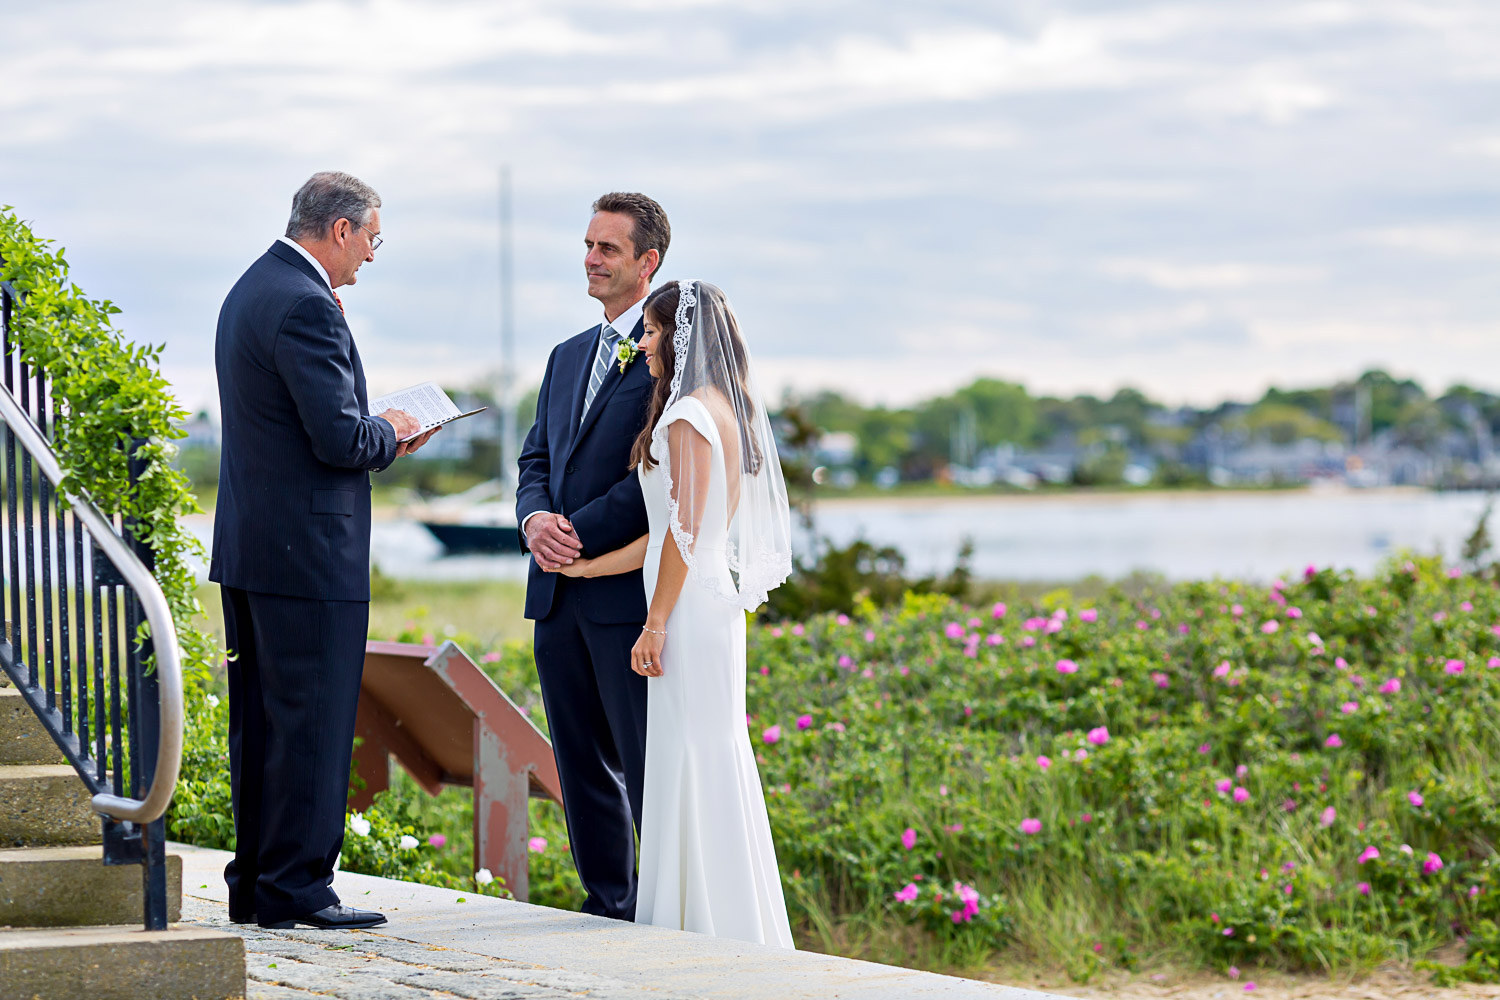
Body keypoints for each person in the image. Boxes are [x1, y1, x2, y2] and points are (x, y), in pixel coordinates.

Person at [210, 171, 436, 930]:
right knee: (311, 725)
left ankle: (260, 886)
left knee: (265, 726)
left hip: (254, 551)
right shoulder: (307, 303)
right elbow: (340, 438)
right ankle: (301, 888)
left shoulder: (251, 287)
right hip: (308, 556)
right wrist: (397, 430)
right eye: (372, 238)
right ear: (339, 230)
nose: (371, 255)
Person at [556, 280, 796, 947]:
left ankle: (697, 923)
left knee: (689, 752)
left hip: (688, 610)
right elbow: (668, 532)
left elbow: (684, 532)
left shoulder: (688, 415)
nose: (646, 342)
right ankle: (713, 916)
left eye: (656, 332)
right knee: (703, 750)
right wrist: (586, 568)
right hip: (706, 598)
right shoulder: (729, 409)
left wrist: (654, 622)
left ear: (680, 338)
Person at [514, 192, 669, 919]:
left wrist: (574, 528)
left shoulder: (673, 356)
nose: (591, 259)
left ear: (649, 262)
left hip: (622, 593)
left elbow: (659, 477)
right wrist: (535, 519)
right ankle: (609, 902)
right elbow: (535, 458)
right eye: (588, 245)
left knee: (641, 759)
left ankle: (662, 907)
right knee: (579, 762)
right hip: (553, 591)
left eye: (608, 248)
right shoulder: (565, 354)